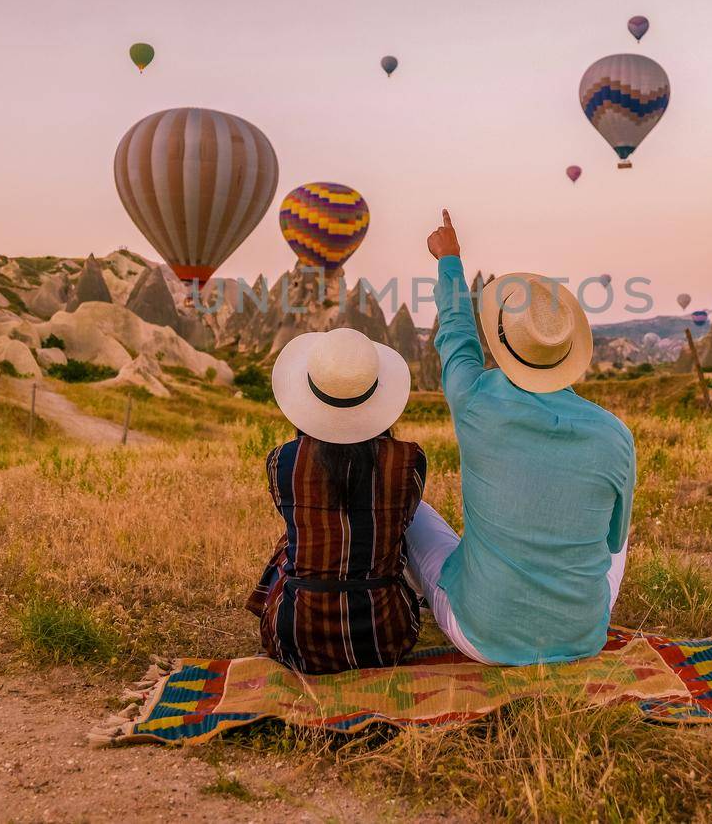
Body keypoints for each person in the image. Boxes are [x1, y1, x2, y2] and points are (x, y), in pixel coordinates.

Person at [405, 210, 635, 665]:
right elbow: (611, 543)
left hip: (482, 635)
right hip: (582, 636)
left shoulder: (477, 402)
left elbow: (456, 339)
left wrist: (449, 259)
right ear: (570, 349)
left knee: (412, 511)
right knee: (622, 533)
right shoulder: (615, 434)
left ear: (502, 344)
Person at [247, 327, 427, 674]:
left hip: (297, 636)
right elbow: (403, 521)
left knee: (292, 539)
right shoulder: (409, 461)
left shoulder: (281, 462)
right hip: (386, 637)